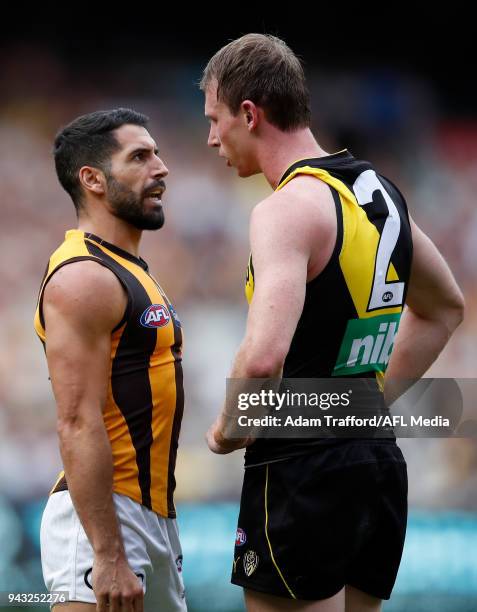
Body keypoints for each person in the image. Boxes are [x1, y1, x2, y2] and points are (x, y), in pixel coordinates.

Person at [201, 34, 465, 612]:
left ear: (250, 114)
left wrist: (224, 429)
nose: (211, 138)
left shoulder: (286, 208)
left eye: (216, 119)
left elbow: (263, 358)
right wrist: (362, 406)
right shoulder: (380, 195)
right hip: (377, 460)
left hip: (301, 464)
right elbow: (446, 308)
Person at [34, 108, 187, 612]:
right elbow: (77, 421)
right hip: (106, 521)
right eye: (140, 157)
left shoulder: (127, 268)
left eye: (157, 153)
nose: (160, 168)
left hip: (153, 517)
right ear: (93, 179)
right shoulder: (84, 278)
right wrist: (107, 552)